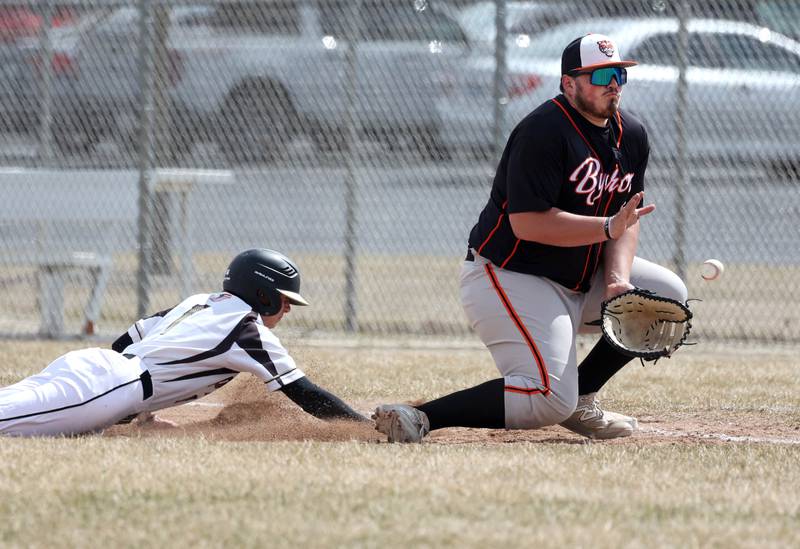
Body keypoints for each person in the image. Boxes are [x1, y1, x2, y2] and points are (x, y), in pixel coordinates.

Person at [373, 34, 687, 442]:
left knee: (666, 299)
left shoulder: (633, 135)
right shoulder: (544, 132)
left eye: (620, 74)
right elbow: (529, 224)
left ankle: (583, 395)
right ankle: (419, 416)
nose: (613, 83)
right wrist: (607, 227)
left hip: (578, 277)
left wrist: (615, 278)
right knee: (547, 398)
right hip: (511, 277)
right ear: (568, 83)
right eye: (601, 75)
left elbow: (627, 220)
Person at [0, 248, 367, 436]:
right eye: (284, 299)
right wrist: (363, 428)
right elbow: (305, 393)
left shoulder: (202, 302)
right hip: (105, 386)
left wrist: (140, 414)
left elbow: (127, 340)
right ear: (263, 294)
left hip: (97, 370)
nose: (287, 309)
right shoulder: (247, 328)